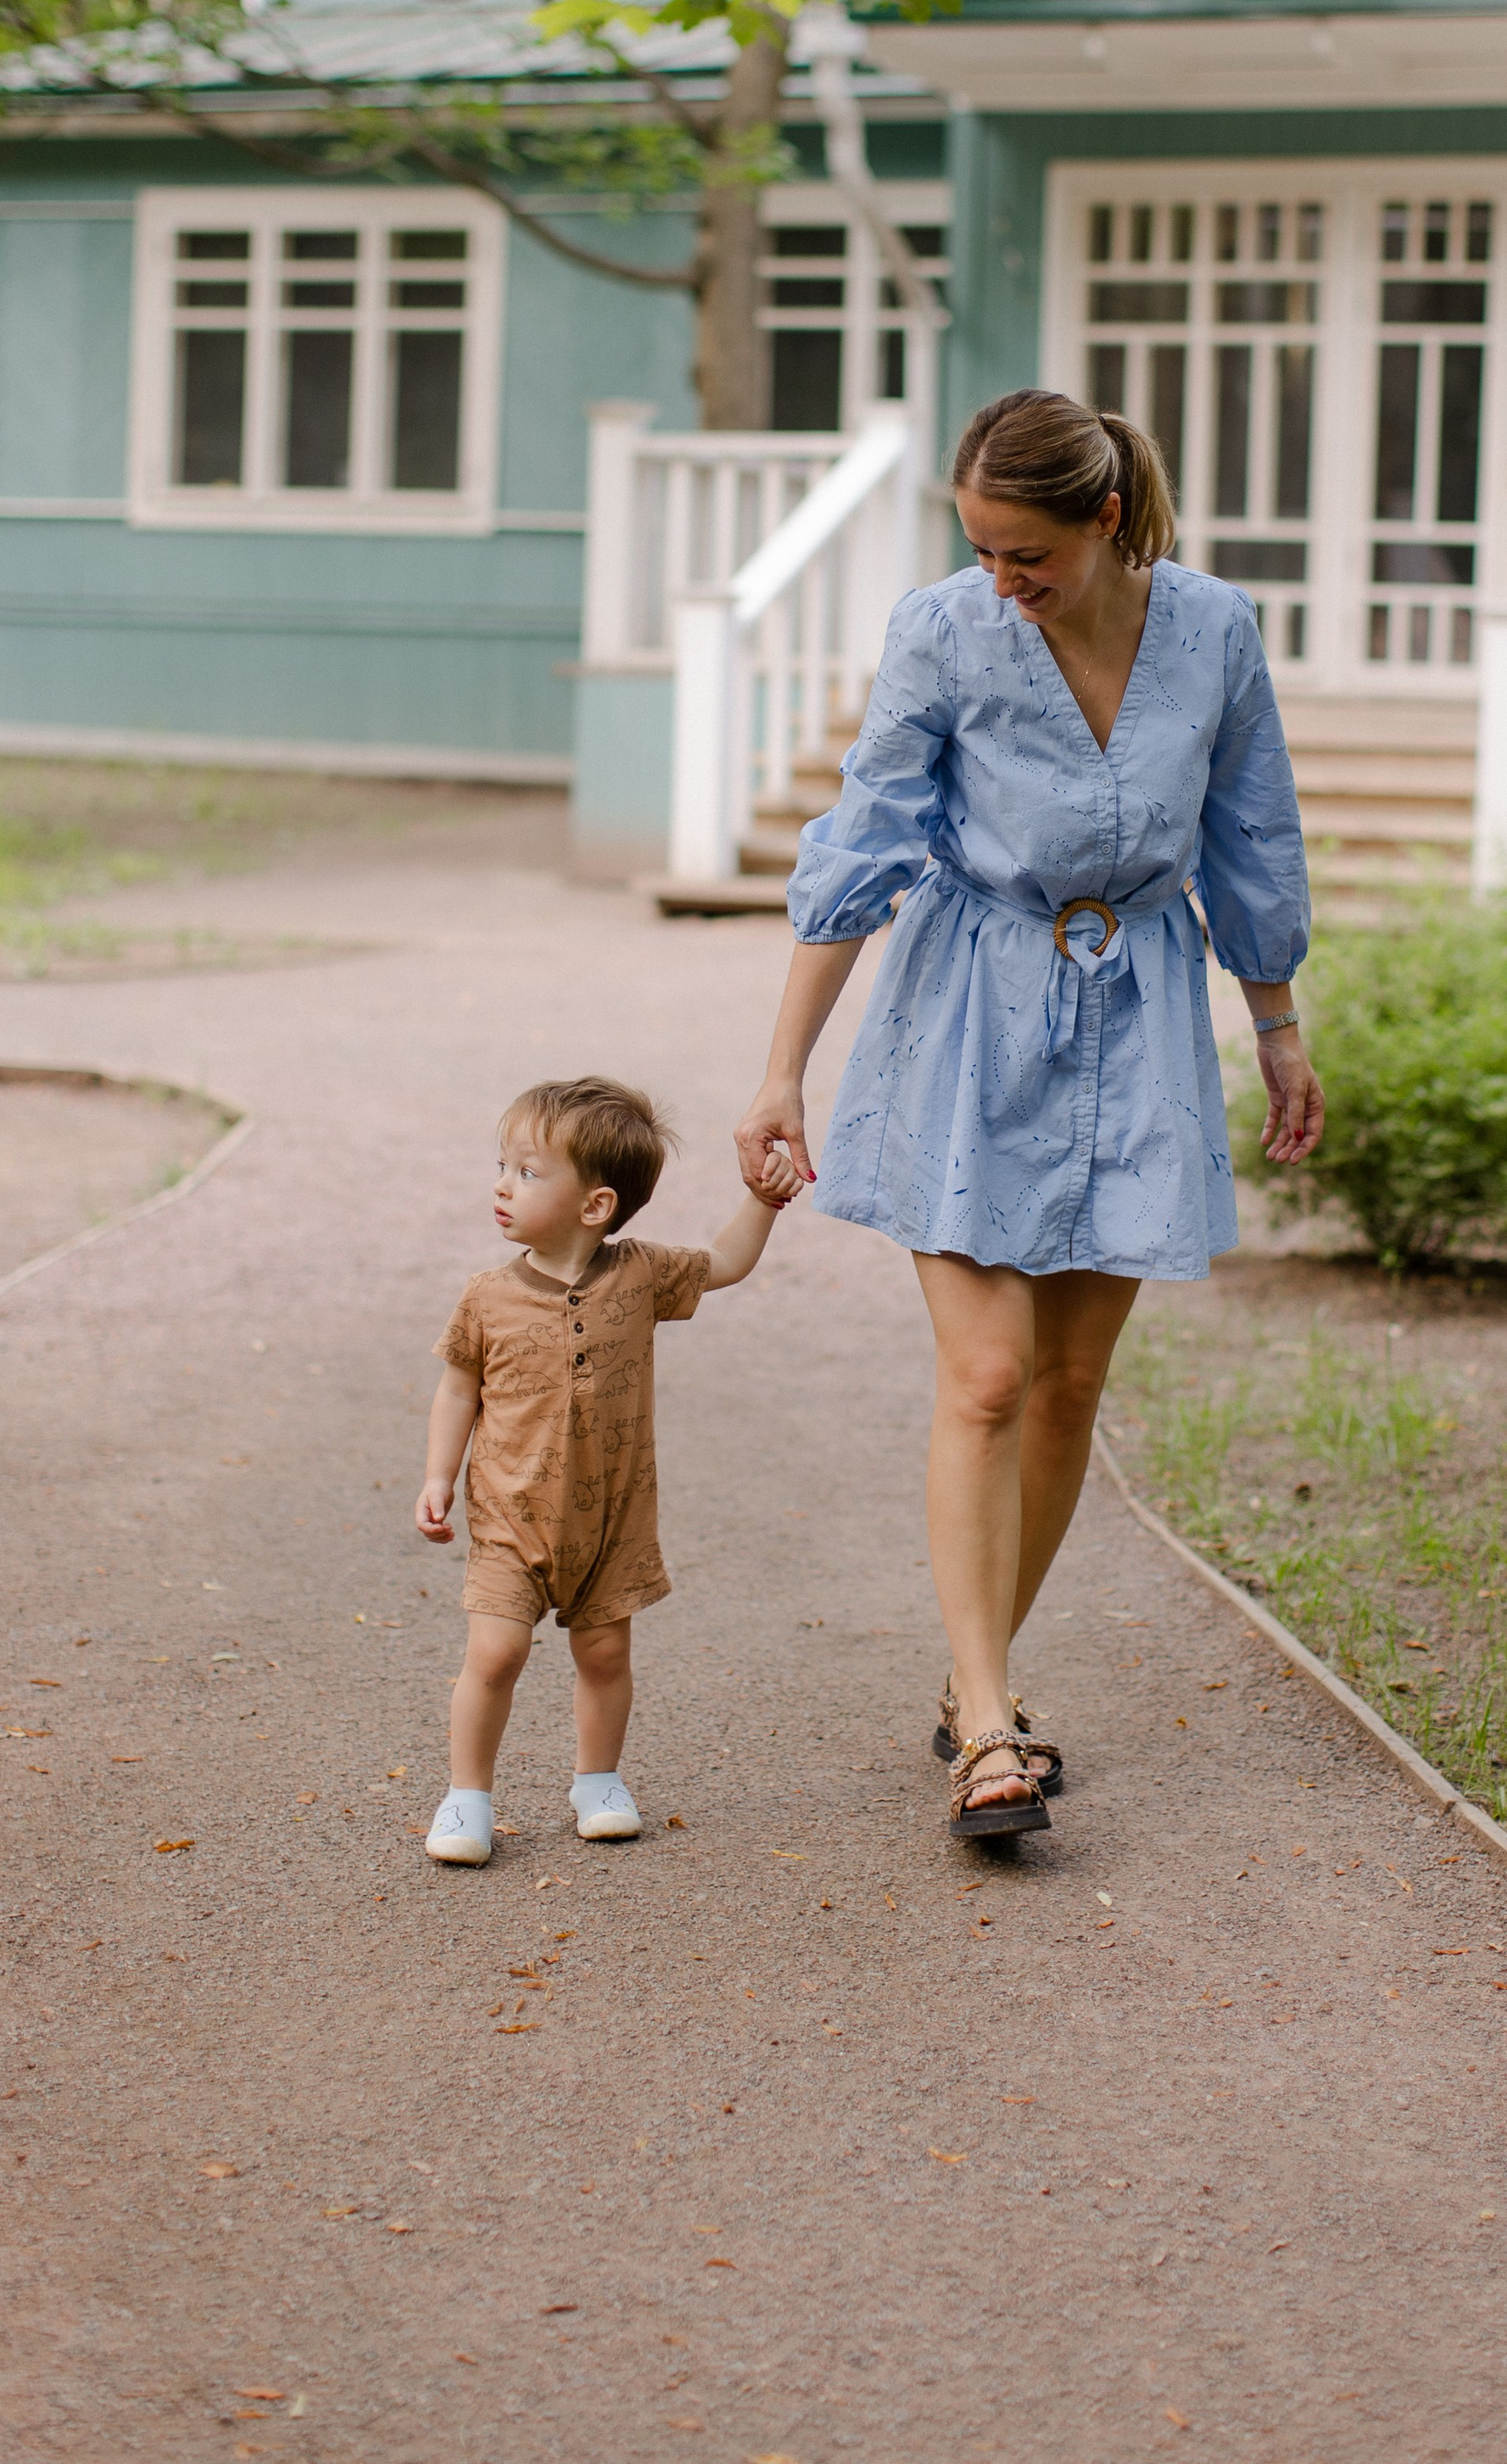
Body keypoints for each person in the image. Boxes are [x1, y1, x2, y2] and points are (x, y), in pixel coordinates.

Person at [734, 388, 1321, 1838]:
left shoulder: (1214, 632)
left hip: (1140, 1019)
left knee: (1068, 1384)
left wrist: (1279, 1028)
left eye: (1026, 556)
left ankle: (970, 1678)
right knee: (988, 1378)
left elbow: (1253, 837)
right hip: (971, 1016)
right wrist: (779, 1068)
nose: (1001, 581)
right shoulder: (945, 631)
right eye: (982, 551)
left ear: (1105, 519)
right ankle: (990, 1730)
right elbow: (864, 834)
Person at [416, 1075, 795, 1862]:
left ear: (596, 1206)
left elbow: (725, 1261)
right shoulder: (487, 1298)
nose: (501, 1185)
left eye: (526, 1172)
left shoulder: (641, 1274)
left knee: (605, 1654)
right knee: (495, 1654)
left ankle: (598, 1780)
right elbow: (458, 1389)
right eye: (502, 1166)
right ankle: (466, 1797)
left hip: (612, 1519)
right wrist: (437, 1478)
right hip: (510, 1515)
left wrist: (764, 1198)